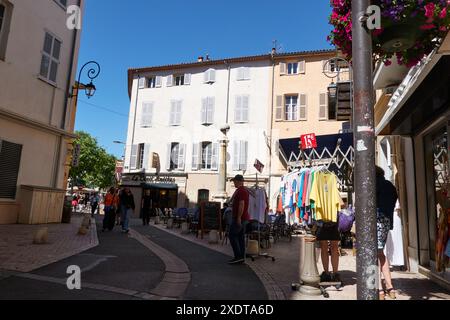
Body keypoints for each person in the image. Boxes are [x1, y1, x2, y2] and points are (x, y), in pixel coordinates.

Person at [376, 166, 398, 300]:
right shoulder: (390, 185)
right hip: (385, 222)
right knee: (380, 254)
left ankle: (379, 290)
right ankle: (390, 288)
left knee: (374, 255)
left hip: (375, 221)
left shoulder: (373, 185)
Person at [228, 175, 250, 265]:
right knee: (240, 238)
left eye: (235, 181)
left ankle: (238, 256)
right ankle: (241, 257)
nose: (234, 183)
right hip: (243, 217)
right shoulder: (241, 190)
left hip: (240, 217)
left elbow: (242, 204)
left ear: (239, 181)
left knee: (232, 235)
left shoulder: (241, 191)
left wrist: (238, 218)